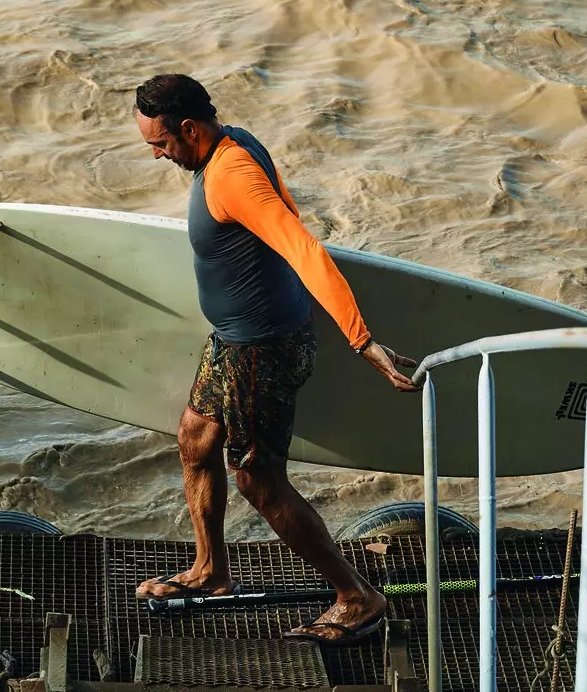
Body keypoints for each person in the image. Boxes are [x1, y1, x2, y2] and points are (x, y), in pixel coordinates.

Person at [132, 72, 418, 645]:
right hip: (233, 341)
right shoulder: (229, 143)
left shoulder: (233, 174)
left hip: (261, 351)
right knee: (196, 438)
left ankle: (356, 597)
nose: (160, 156)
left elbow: (303, 247)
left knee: (259, 481)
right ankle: (212, 571)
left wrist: (362, 340)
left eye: (160, 144)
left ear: (189, 128)